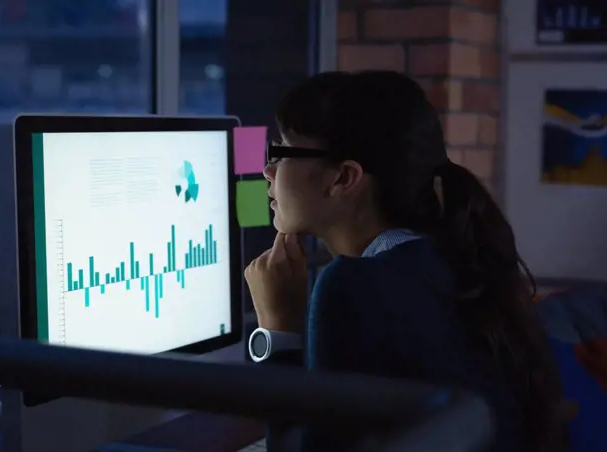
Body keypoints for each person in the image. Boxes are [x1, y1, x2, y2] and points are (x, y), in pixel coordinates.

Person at [243, 70, 567, 452]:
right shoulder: (446, 256)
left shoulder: (355, 285)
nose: (268, 170)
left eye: (282, 151)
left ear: (343, 178)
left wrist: (277, 331)